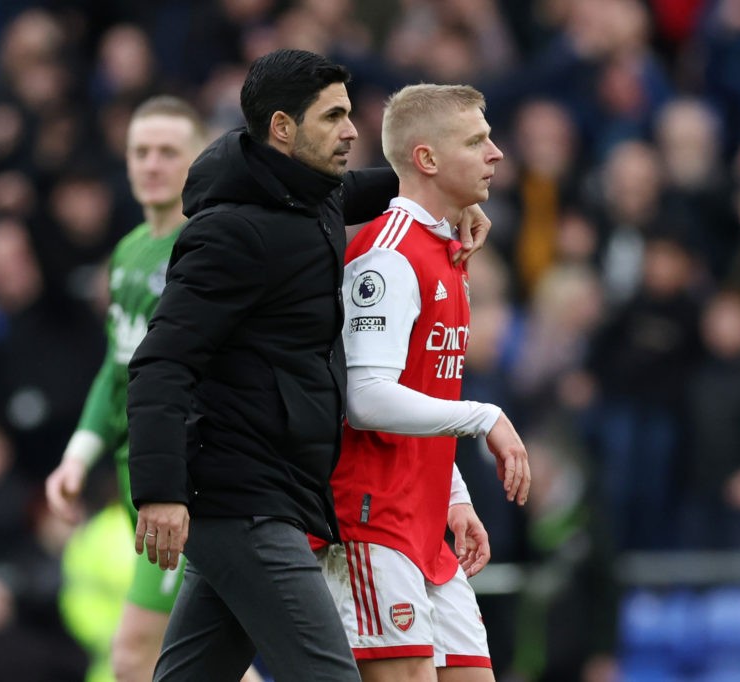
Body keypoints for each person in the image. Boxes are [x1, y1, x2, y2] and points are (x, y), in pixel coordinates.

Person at [125, 50, 490, 682]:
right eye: (335, 117)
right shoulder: (230, 233)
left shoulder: (309, 197)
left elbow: (373, 186)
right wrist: (158, 491)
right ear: (283, 130)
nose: (353, 130)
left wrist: (448, 204)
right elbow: (160, 363)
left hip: (276, 495)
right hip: (244, 500)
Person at [43, 95, 263, 682]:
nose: (152, 163)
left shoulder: (212, 248)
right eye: (140, 151)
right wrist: (77, 455)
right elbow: (116, 369)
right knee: (201, 657)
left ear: (198, 160)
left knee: (136, 650)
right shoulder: (129, 250)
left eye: (169, 151)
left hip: (188, 484)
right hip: (135, 479)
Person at [317, 83, 530, 682]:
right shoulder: (385, 257)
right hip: (373, 521)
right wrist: (483, 416)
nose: (496, 154)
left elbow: (424, 394)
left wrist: (454, 497)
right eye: (477, 141)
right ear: (427, 159)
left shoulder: (449, 253)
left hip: (425, 522)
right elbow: (365, 398)